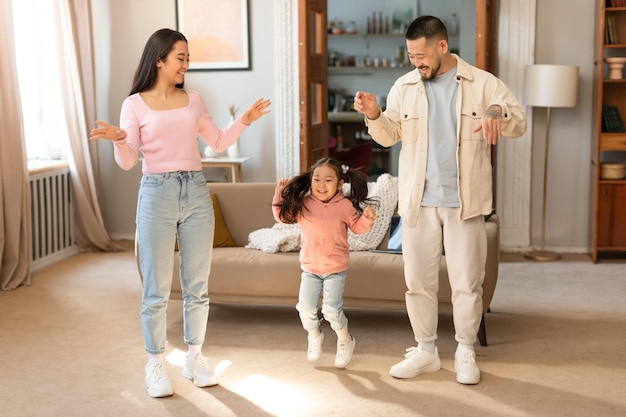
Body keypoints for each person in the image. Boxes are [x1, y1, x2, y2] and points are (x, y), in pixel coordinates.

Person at [89, 28, 270, 398]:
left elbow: (217, 141)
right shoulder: (134, 104)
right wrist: (120, 140)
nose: (186, 64)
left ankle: (195, 358)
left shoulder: (193, 99)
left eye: (188, 58)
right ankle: (156, 363)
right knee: (156, 288)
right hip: (157, 193)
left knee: (197, 286)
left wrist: (246, 119)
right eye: (180, 57)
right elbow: (127, 163)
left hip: (197, 192)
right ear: (159, 59)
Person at [353, 16, 526, 385]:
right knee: (418, 282)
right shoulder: (405, 86)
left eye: (421, 54)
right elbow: (389, 136)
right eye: (411, 55)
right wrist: (374, 115)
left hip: (464, 202)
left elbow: (518, 121)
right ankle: (426, 350)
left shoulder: (482, 83)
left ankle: (465, 350)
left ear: (442, 46)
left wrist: (498, 112)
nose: (416, 62)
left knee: (466, 283)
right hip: (418, 202)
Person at [272, 158, 378, 369]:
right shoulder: (304, 204)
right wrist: (279, 193)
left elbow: (357, 227)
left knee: (331, 310)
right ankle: (314, 335)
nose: (321, 185)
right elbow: (282, 217)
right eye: (317, 179)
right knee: (305, 308)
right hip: (310, 269)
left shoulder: (345, 206)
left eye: (328, 180)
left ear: (340, 184)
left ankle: (345, 341)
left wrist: (367, 219)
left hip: (335, 269)